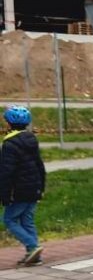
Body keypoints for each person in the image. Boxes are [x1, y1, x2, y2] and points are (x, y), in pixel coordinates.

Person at [0, 105, 46, 267]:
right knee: (27, 221)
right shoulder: (31, 139)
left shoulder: (9, 144)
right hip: (34, 188)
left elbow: (6, 172)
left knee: (9, 220)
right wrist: (41, 188)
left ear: (8, 123)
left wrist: (4, 195)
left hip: (18, 190)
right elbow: (40, 165)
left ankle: (33, 246)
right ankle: (34, 256)